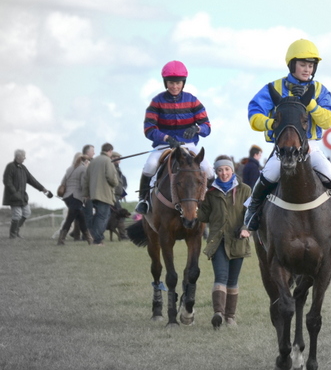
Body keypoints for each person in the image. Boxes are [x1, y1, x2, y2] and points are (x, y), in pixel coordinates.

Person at [245, 39, 331, 232]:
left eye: (311, 65)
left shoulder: (320, 90)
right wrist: (270, 123)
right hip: (283, 147)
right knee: (268, 174)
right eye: (303, 64)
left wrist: (310, 103)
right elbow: (254, 114)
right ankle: (252, 212)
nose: (307, 69)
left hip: (309, 146)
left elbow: (327, 120)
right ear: (292, 64)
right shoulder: (274, 88)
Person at [135, 60, 213, 214]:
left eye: (178, 83)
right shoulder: (156, 102)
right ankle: (143, 200)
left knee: (209, 169)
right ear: (166, 83)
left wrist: (197, 128)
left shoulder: (193, 100)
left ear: (183, 83)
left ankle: (209, 202)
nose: (174, 86)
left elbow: (207, 127)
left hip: (188, 145)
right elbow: (149, 129)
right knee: (150, 166)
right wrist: (165, 138)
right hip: (164, 146)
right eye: (171, 82)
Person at [196, 155, 251, 329]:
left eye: (226, 169)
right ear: (216, 172)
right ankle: (218, 314)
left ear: (232, 170)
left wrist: (246, 229)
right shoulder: (210, 192)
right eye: (220, 170)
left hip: (238, 240)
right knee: (221, 276)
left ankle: (230, 317)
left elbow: (251, 214)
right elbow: (203, 215)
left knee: (233, 281)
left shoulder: (245, 190)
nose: (224, 173)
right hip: (218, 240)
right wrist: (193, 209)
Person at [3, 149, 53, 238]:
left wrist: (43, 189)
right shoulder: (10, 166)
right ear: (18, 156)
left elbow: (31, 180)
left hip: (22, 197)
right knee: (17, 214)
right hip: (13, 197)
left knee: (27, 212)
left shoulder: (23, 168)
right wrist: (15, 193)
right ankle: (13, 234)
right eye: (23, 156)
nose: (25, 158)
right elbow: (7, 182)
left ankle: (16, 230)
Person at [83, 143, 119, 246]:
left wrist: (86, 193)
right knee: (103, 217)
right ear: (110, 151)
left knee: (99, 216)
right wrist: (116, 183)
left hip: (93, 194)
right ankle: (97, 239)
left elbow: (86, 178)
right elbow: (112, 178)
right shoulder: (108, 161)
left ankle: (92, 235)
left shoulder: (93, 161)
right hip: (104, 194)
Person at [57, 153, 92, 245]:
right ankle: (61, 240)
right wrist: (87, 195)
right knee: (70, 219)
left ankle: (90, 240)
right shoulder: (83, 169)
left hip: (67, 197)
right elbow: (83, 184)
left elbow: (63, 182)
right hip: (76, 197)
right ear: (85, 161)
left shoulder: (69, 169)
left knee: (81, 218)